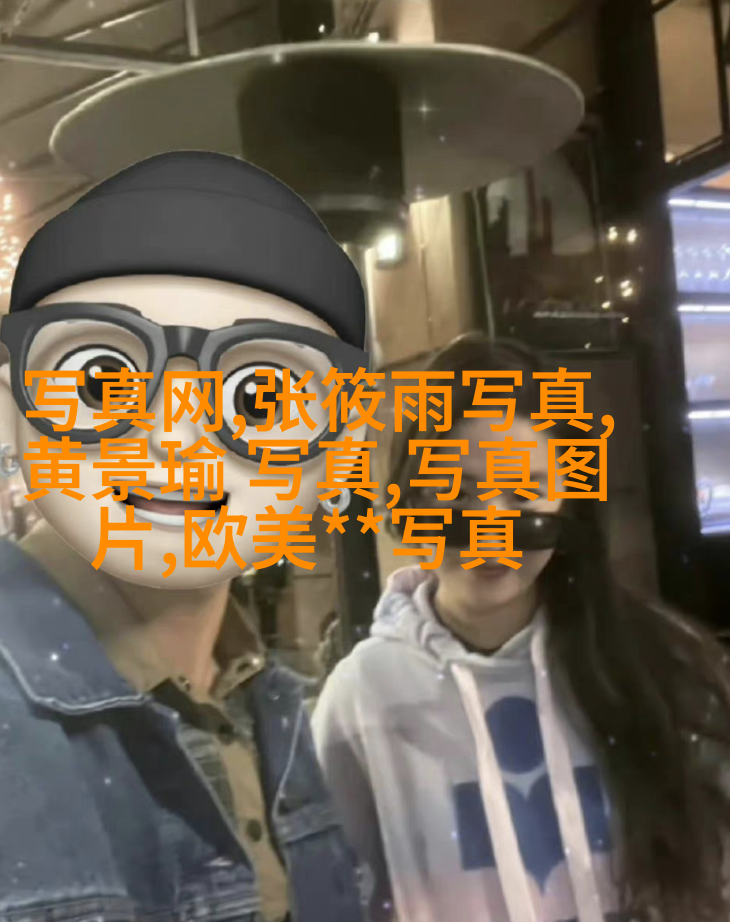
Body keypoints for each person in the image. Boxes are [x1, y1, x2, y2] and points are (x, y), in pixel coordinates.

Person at [0, 150, 369, 922]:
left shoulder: (274, 706)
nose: (175, 437)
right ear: (16, 406)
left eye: (259, 394)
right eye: (105, 379)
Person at [313, 333, 730, 922]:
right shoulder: (362, 701)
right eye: (456, 492)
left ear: (568, 504)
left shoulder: (660, 666)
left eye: (525, 491)